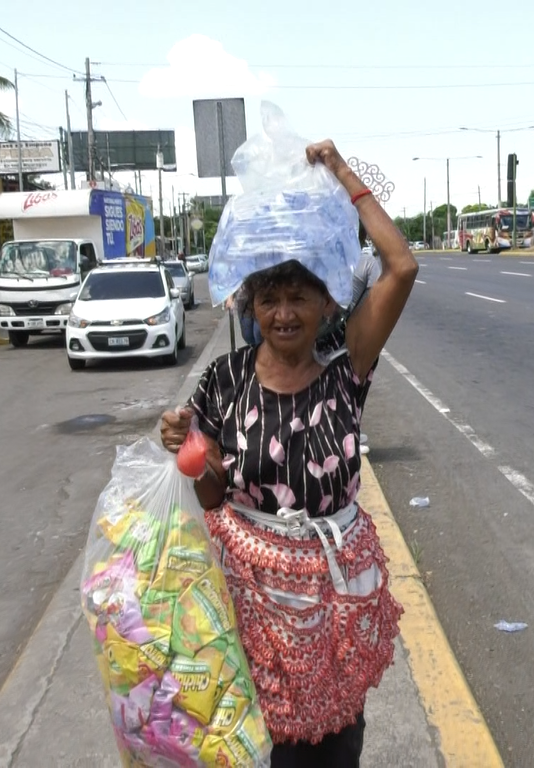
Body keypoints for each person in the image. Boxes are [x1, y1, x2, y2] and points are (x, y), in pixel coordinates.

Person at [160, 139, 418, 767]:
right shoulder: (223, 380)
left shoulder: (345, 367)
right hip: (250, 612)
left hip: (334, 608)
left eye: (299, 296)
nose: (283, 313)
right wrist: (193, 452)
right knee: (262, 750)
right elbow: (213, 496)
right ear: (250, 304)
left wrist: (339, 171)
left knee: (334, 747)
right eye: (269, 298)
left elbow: (402, 266)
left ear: (327, 301)